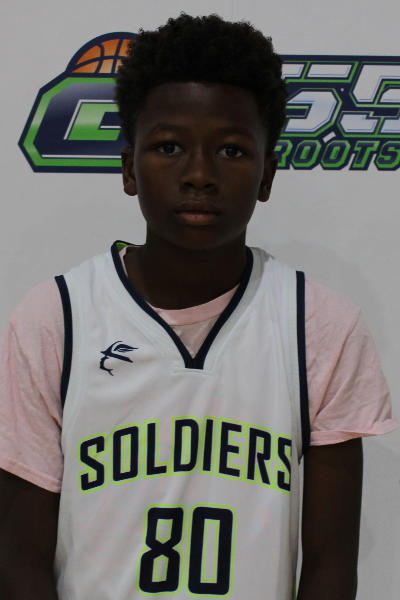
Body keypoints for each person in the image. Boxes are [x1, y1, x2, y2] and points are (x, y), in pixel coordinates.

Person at [0, 13, 397, 600]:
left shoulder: (321, 325)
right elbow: (19, 564)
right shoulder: (54, 318)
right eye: (169, 147)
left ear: (267, 174)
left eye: (231, 150)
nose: (199, 175)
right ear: (129, 168)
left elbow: (329, 570)